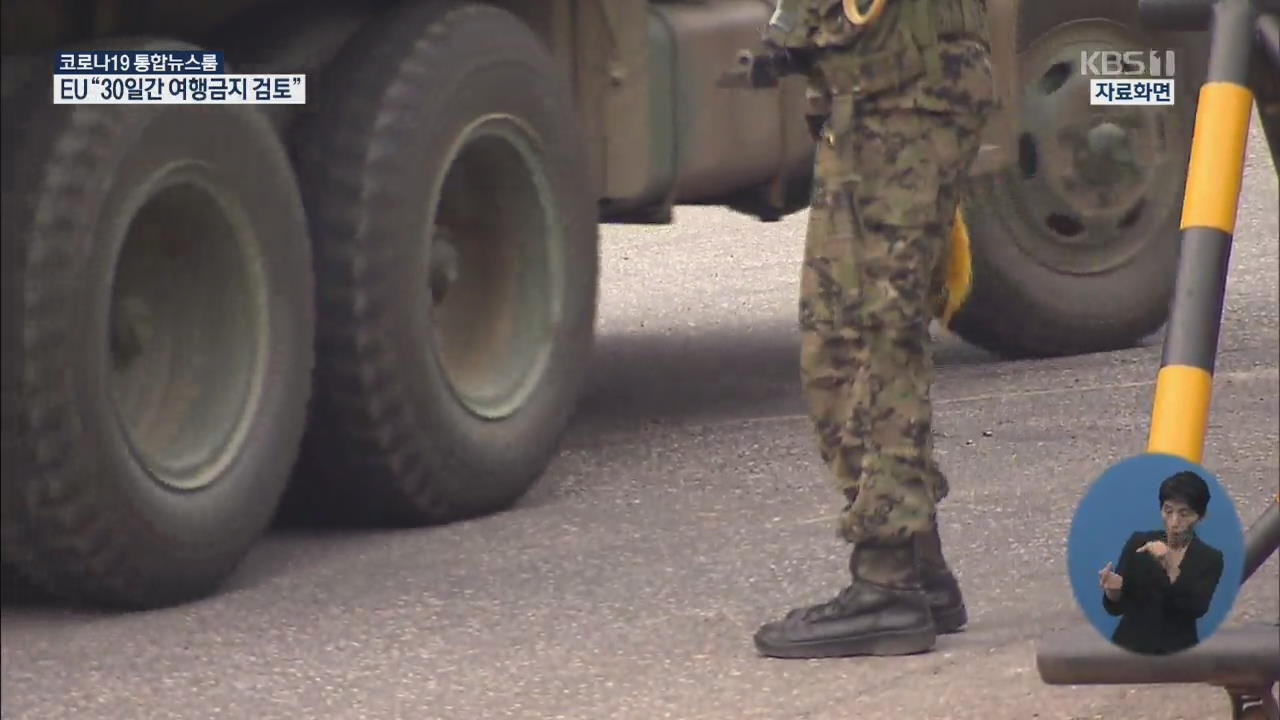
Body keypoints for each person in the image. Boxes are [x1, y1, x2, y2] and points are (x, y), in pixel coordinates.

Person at [752, 0, 996, 659]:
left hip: (906, 86)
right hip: (873, 85)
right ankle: (918, 564)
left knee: (872, 333)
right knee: (839, 334)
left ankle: (888, 582)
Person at [1097, 470, 1225, 655]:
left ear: (1200, 516)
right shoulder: (1139, 542)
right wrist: (1113, 592)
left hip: (1177, 655)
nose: (1174, 522)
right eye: (1168, 511)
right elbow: (1116, 608)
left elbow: (1197, 608)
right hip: (1129, 650)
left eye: (1184, 513)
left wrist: (1170, 566)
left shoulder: (1209, 558)